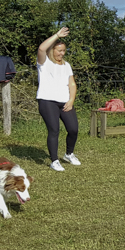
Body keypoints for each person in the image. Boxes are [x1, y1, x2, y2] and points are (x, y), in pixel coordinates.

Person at [37, 27, 81, 171]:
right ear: (52, 50)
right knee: (54, 130)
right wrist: (57, 35)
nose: (62, 53)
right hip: (47, 101)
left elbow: (72, 84)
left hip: (65, 101)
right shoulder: (44, 63)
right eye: (59, 51)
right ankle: (54, 160)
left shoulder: (66, 65)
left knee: (73, 129)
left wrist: (71, 100)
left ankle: (69, 154)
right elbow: (41, 49)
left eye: (63, 51)